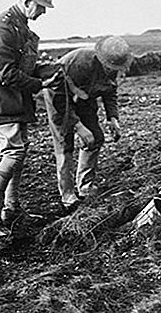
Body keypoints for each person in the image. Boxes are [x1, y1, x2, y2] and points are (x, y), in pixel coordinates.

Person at [0, 0, 55, 238]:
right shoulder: (2, 28)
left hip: (12, 98)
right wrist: (40, 84)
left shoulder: (20, 26)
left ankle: (11, 209)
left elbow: (22, 67)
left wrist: (49, 71)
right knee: (13, 154)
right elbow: (7, 73)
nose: (42, 12)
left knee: (19, 152)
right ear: (25, 1)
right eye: (40, 7)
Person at [43, 36, 133, 213]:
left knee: (95, 137)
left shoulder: (114, 65)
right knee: (64, 143)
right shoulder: (79, 64)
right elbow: (60, 99)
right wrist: (78, 126)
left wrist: (112, 117)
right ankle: (67, 193)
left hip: (85, 99)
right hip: (59, 97)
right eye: (110, 67)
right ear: (101, 58)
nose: (112, 70)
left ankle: (85, 185)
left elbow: (110, 91)